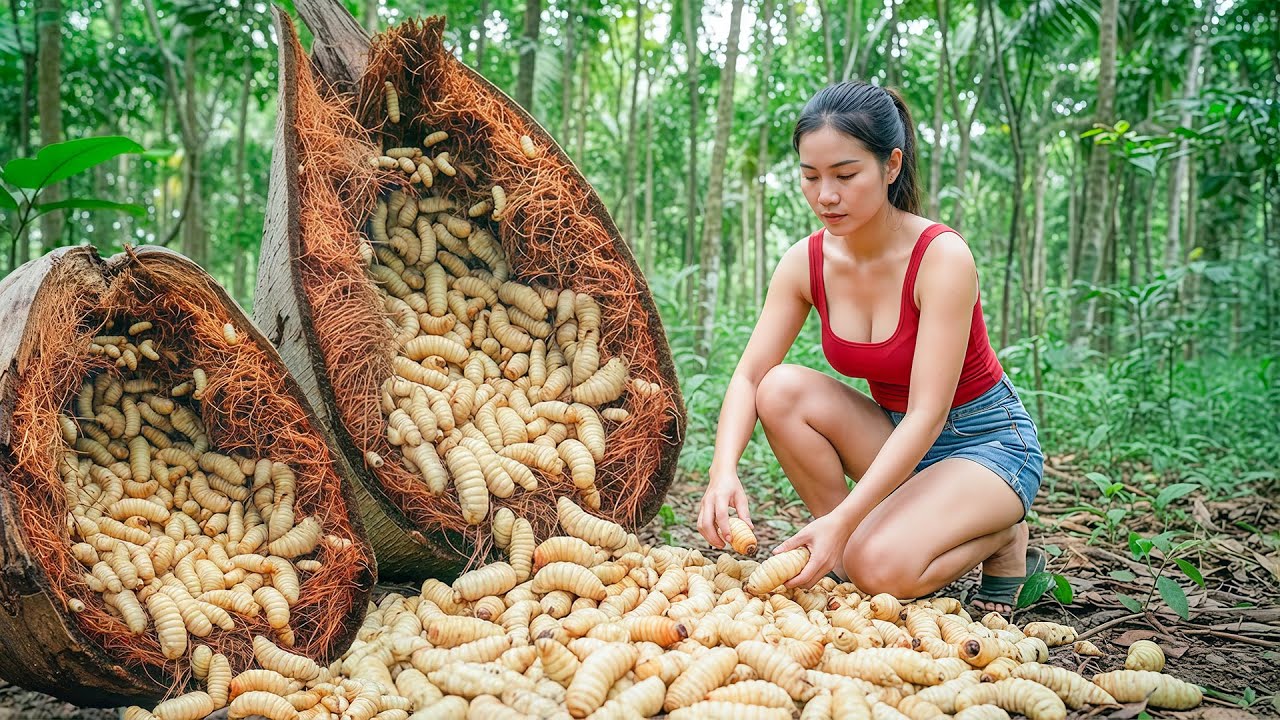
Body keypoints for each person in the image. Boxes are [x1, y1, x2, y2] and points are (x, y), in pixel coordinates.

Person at [696, 80, 1045, 614]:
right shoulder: (804, 262)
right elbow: (748, 377)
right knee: (780, 387)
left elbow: (929, 414)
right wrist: (723, 472)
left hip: (985, 444)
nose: (825, 196)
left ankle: (1003, 537)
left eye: (845, 175)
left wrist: (847, 520)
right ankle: (847, 550)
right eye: (810, 177)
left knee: (877, 566)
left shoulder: (941, 256)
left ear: (891, 165)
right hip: (898, 435)